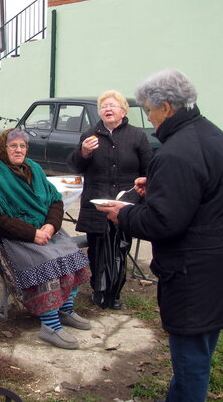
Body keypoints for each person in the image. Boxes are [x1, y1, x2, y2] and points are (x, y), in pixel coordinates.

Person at [96, 69, 223, 402]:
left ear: (167, 108)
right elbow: (201, 196)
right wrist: (156, 186)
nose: (149, 117)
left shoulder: (176, 152)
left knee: (191, 365)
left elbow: (163, 223)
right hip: (219, 265)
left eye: (149, 110)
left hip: (192, 274)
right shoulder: (213, 135)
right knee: (201, 350)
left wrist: (124, 213)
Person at [0, 129, 91, 349]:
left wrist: (50, 226)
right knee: (44, 262)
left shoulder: (34, 169)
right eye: (13, 146)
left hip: (39, 230)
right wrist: (32, 234)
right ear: (2, 148)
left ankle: (65, 309)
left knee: (71, 254)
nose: (19, 150)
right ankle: (50, 325)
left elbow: (55, 201)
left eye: (23, 146)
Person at [67, 90, 152, 309]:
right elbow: (75, 166)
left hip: (126, 201)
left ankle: (114, 291)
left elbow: (148, 169)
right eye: (103, 106)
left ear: (123, 111)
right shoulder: (90, 135)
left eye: (112, 105)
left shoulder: (136, 136)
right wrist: (83, 152)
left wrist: (143, 193)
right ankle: (98, 288)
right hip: (96, 203)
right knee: (96, 247)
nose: (107, 109)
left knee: (120, 247)